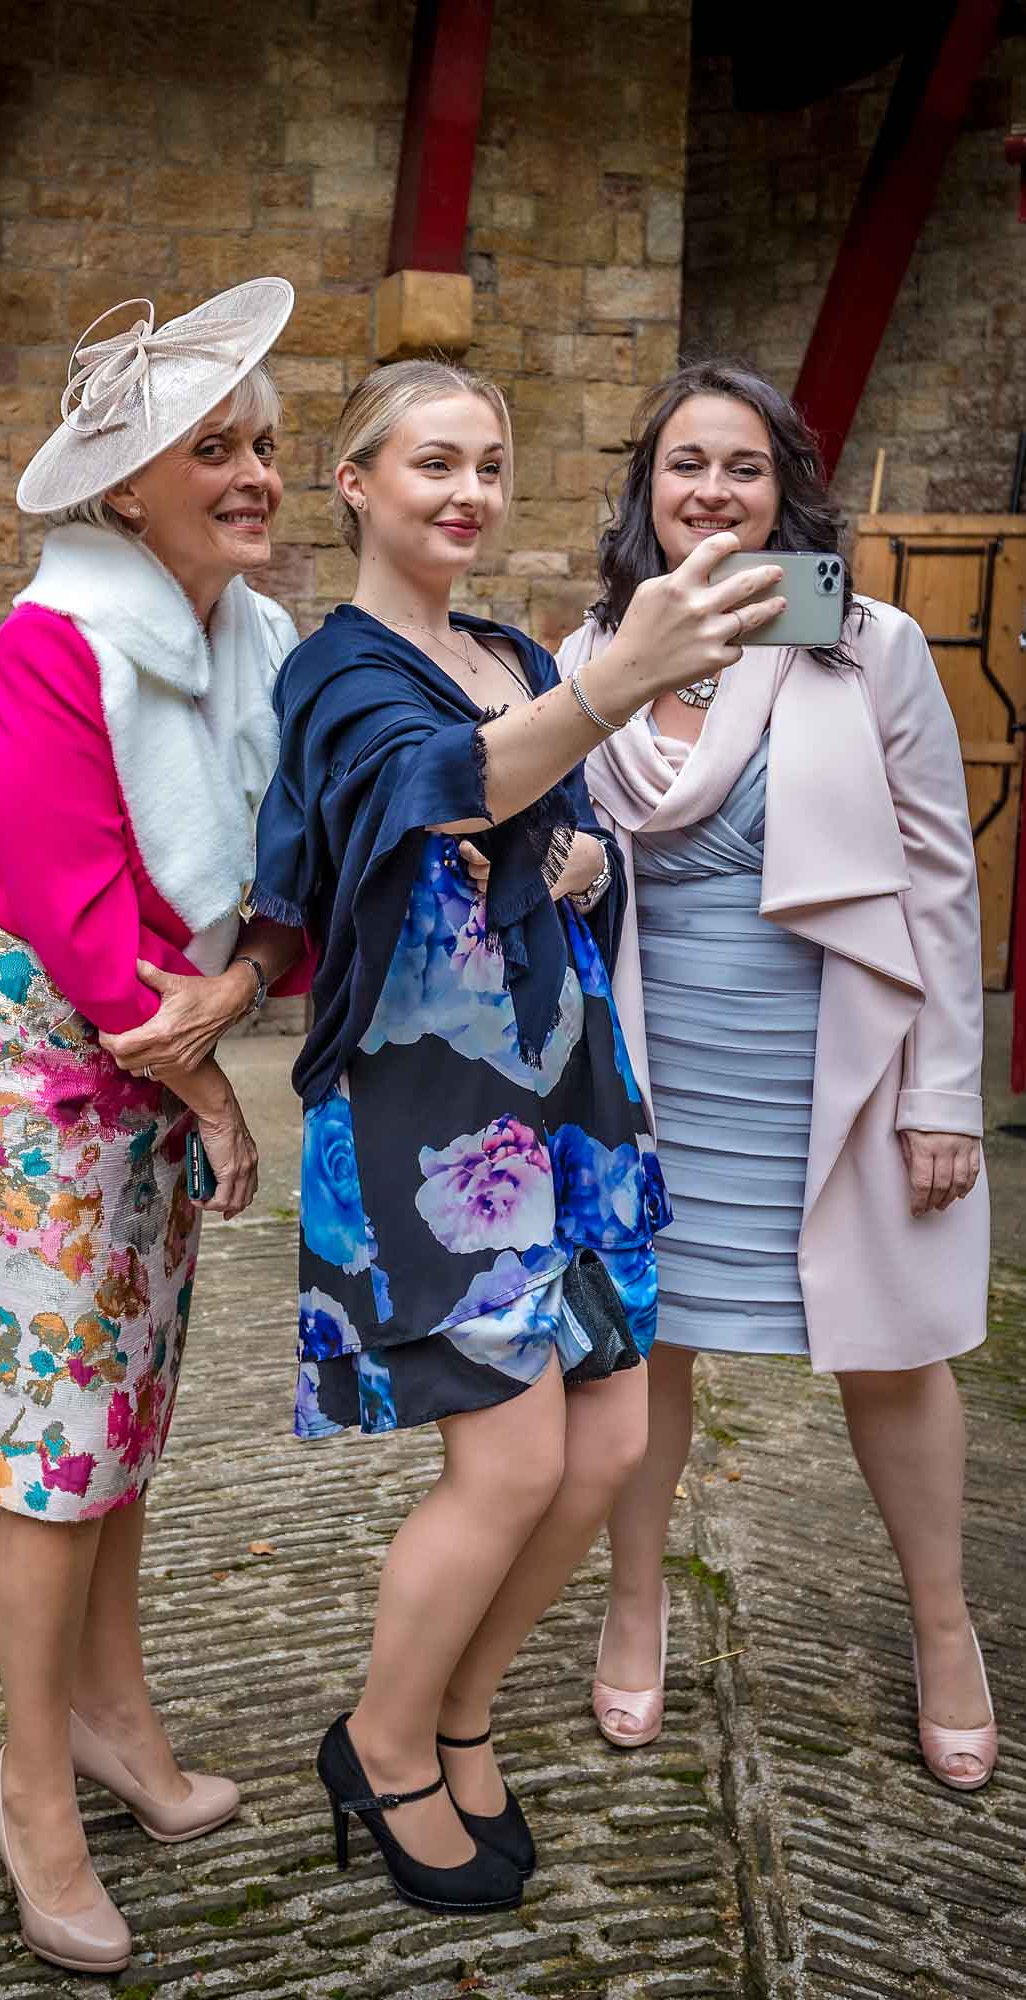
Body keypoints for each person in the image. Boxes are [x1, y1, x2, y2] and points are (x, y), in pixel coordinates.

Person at [249, 358, 786, 1913]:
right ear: (353, 483)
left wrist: (573, 863)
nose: (467, 492)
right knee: (506, 1463)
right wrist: (602, 701)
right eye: (432, 464)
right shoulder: (334, 667)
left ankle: (462, 1710)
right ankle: (380, 1739)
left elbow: (556, 834)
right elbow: (426, 795)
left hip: (566, 1091)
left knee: (608, 1445)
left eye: (488, 463)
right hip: (434, 1115)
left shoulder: (503, 646)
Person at [0, 280, 309, 1974]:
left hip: (145, 1053)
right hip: (36, 1068)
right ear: (123, 487)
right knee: (49, 1446)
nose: (254, 474)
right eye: (211, 448)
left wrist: (248, 985)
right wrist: (214, 1073)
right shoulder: (47, 644)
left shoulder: (256, 646)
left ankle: (116, 1722)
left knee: (123, 1416)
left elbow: (288, 867)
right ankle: (31, 1788)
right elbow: (83, 924)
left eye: (266, 445)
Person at [562, 362, 996, 1793]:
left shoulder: (857, 644)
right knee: (649, 1348)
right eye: (683, 465)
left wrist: (942, 1089)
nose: (710, 492)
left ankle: (943, 1627)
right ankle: (635, 1609)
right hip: (650, 1063)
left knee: (890, 1351)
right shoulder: (593, 650)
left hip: (838, 1064)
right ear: (645, 489)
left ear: (784, 488)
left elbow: (937, 873)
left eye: (741, 467)